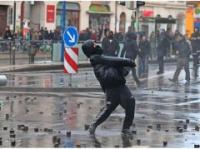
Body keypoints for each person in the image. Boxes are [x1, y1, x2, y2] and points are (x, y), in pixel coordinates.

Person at [82, 40, 136, 136]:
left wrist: (126, 67)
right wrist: (128, 61)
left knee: (130, 102)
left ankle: (126, 128)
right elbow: (113, 60)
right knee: (108, 108)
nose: (96, 45)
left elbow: (113, 63)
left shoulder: (99, 57)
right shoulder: (95, 58)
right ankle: (93, 125)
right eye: (93, 45)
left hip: (119, 85)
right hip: (111, 87)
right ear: (90, 48)